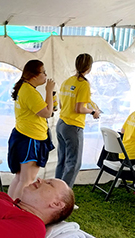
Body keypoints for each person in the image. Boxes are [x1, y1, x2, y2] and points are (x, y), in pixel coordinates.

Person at [7, 60, 55, 200]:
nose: (46, 75)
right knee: (27, 180)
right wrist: (49, 90)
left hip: (25, 136)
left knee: (20, 178)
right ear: (34, 75)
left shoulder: (26, 88)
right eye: (43, 72)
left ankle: (9, 207)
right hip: (30, 138)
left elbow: (47, 110)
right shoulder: (29, 91)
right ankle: (15, 211)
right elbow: (47, 113)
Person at [55, 53, 100, 188]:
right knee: (74, 163)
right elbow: (79, 108)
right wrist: (93, 112)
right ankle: (64, 196)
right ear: (89, 67)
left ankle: (55, 191)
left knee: (62, 161)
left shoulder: (68, 81)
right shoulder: (84, 84)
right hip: (73, 126)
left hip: (61, 123)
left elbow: (62, 105)